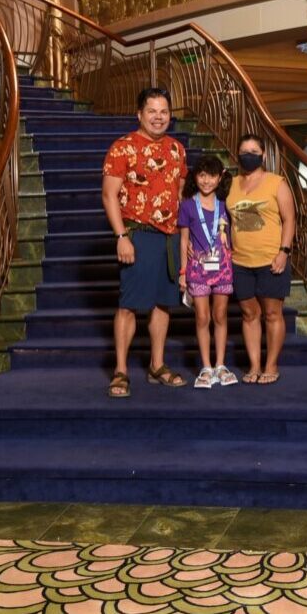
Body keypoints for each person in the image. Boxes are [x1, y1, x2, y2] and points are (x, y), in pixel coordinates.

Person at [102, 87, 187, 397]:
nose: (158, 117)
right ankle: (121, 370)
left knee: (163, 304)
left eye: (164, 111)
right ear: (139, 114)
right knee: (128, 306)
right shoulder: (122, 148)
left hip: (169, 237)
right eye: (152, 111)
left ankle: (157, 364)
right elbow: (109, 195)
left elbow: (180, 196)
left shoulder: (177, 149)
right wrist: (121, 236)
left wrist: (185, 239)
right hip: (136, 235)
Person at [226, 134, 296, 384]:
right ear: (237, 154)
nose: (249, 155)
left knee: (273, 314)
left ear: (263, 155)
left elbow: (289, 219)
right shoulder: (230, 184)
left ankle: (271, 364)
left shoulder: (277, 183)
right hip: (240, 261)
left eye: (254, 151)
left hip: (271, 259)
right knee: (248, 314)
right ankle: (254, 365)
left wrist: (284, 252)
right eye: (244, 151)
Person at [178, 156, 238, 389]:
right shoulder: (188, 205)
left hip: (223, 268)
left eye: (211, 175)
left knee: (220, 315)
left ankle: (220, 365)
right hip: (197, 269)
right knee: (202, 317)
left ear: (220, 177)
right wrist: (183, 271)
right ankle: (206, 366)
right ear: (195, 176)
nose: (206, 181)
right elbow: (184, 241)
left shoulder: (226, 203)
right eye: (201, 175)